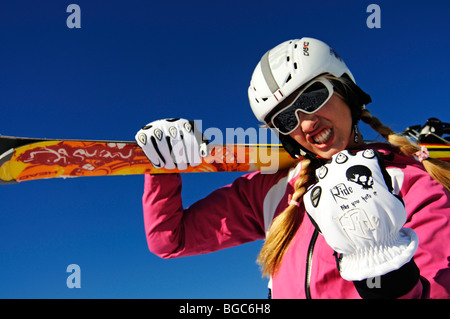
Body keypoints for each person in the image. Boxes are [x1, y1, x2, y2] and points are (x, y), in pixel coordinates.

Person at [135, 37, 450, 299]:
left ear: (346, 91)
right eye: (286, 119)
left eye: (313, 98)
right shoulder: (270, 190)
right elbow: (171, 240)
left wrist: (384, 272)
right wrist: (163, 167)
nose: (306, 122)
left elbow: (437, 289)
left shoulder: (409, 180)